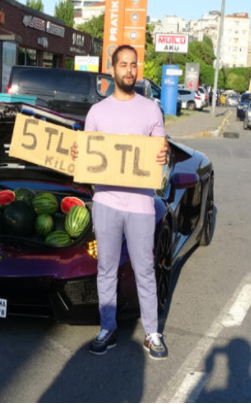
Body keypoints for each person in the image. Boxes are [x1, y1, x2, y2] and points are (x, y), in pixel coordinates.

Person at [73, 45, 169, 359]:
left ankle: (152, 333)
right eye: (123, 64)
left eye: (133, 64)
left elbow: (161, 150)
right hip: (106, 202)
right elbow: (86, 158)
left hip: (141, 204)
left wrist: (164, 154)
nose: (129, 70)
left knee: (145, 269)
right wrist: (77, 154)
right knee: (106, 268)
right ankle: (107, 329)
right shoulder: (97, 112)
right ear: (112, 70)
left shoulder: (151, 110)